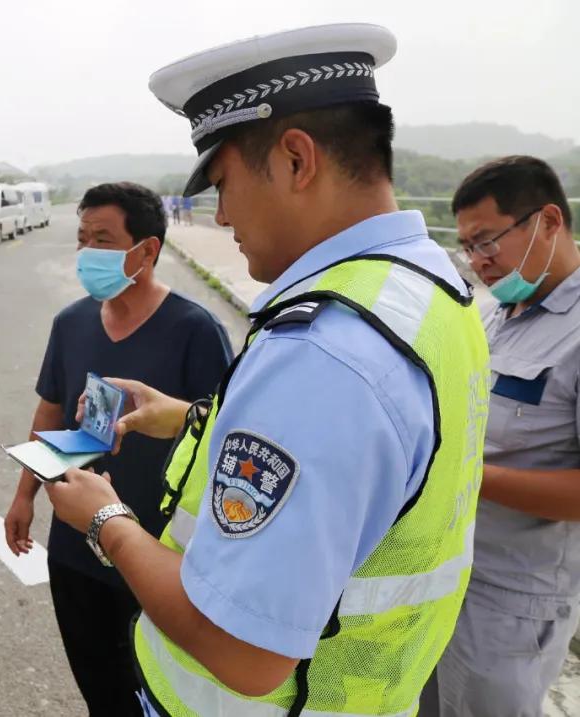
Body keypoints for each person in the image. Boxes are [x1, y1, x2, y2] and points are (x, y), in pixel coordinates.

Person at [44, 23, 491, 716]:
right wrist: (192, 416)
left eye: (222, 183)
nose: (220, 215)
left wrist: (105, 520)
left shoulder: (323, 351)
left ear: (294, 160)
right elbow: (361, 468)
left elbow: (245, 653)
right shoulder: (426, 293)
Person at [3, 181, 233, 716]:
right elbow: (50, 411)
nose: (87, 252)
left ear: (147, 250)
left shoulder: (195, 331)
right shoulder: (71, 323)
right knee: (99, 685)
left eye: (102, 239)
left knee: (156, 693)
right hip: (75, 547)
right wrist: (24, 495)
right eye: (82, 238)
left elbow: (223, 438)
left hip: (157, 554)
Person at [420, 156, 580, 717]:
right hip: (446, 571)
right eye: (467, 247)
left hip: (512, 602)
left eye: (487, 241)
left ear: (549, 221)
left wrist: (463, 474)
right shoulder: (494, 317)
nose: (478, 262)